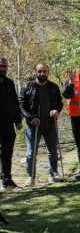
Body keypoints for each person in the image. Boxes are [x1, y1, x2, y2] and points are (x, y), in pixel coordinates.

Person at [20, 63, 63, 184]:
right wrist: (30, 118)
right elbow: (21, 105)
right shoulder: (27, 86)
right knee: (31, 153)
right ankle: (30, 176)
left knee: (53, 151)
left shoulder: (54, 87)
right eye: (39, 71)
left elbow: (60, 103)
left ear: (48, 72)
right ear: (35, 72)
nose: (42, 73)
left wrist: (57, 110)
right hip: (33, 125)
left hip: (50, 123)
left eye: (44, 71)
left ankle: (53, 173)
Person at [0, 57, 22, 190]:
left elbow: (14, 102)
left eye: (4, 66)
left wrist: (18, 120)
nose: (2, 69)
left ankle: (7, 180)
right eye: (0, 66)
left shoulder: (9, 83)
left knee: (7, 153)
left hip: (7, 124)